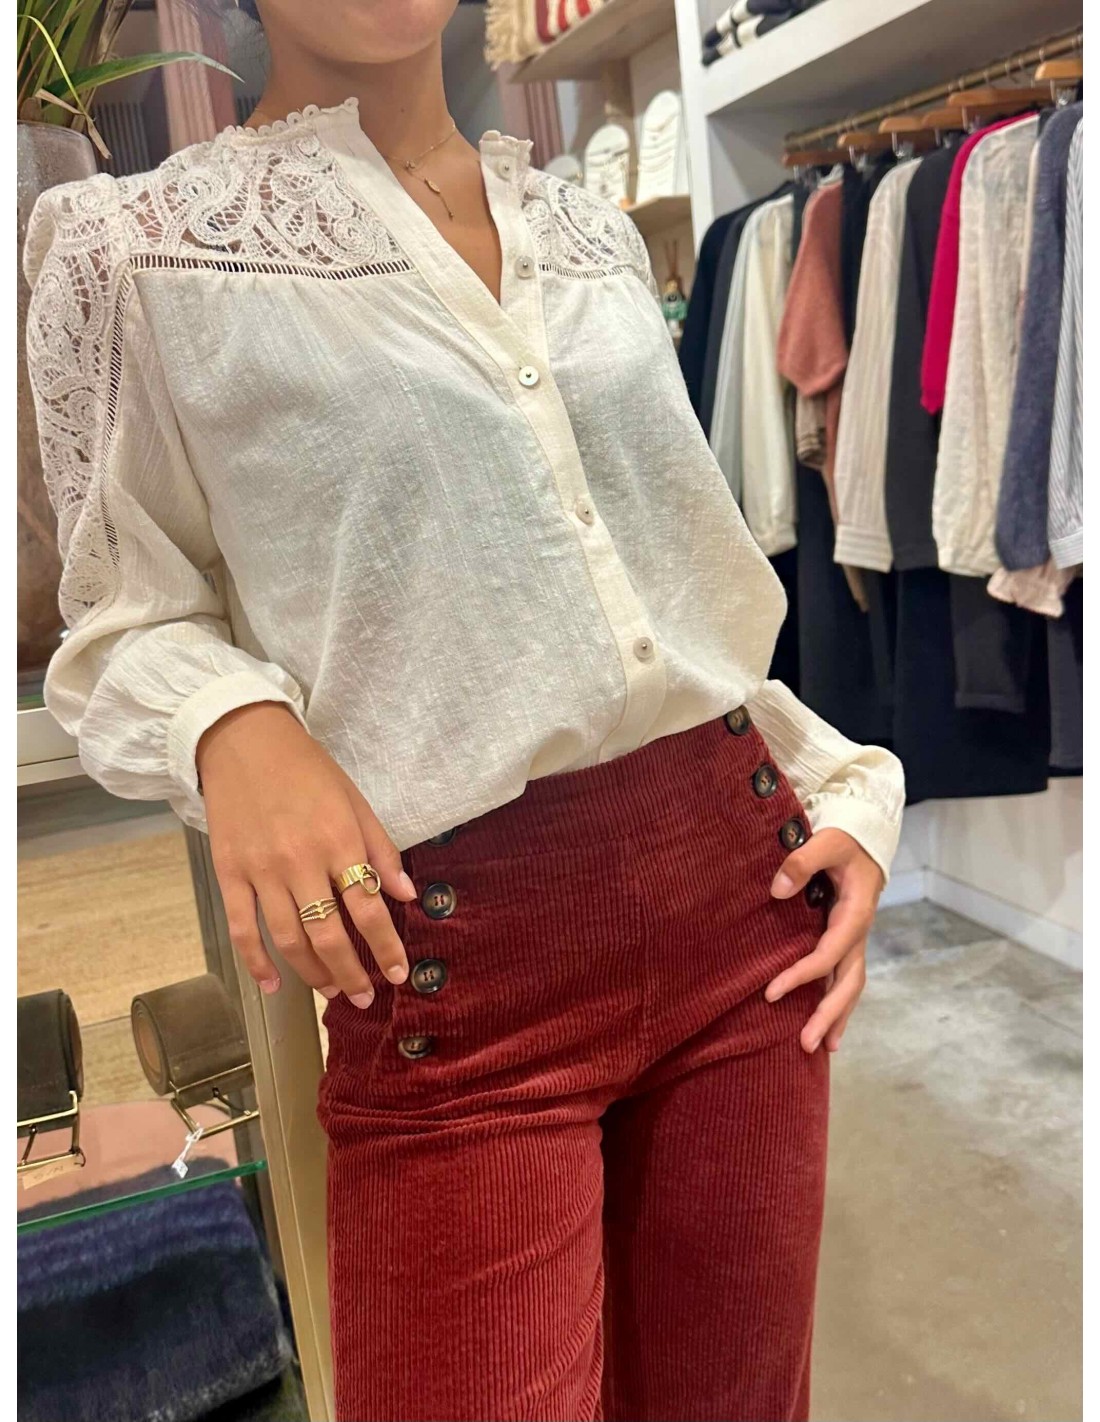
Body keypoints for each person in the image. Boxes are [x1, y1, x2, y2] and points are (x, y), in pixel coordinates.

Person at [21, 1, 905, 1417]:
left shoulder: (587, 232)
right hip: (452, 968)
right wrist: (230, 721)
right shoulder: (135, 251)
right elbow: (121, 610)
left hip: (740, 911)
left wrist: (844, 789)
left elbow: (673, 595)